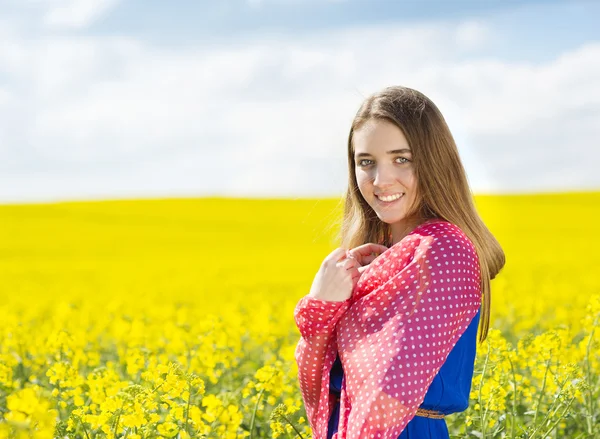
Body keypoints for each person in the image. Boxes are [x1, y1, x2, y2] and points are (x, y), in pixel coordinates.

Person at [293, 86, 505, 439]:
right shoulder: (382, 258)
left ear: (433, 161)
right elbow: (326, 383)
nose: (380, 180)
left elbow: (385, 395)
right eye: (367, 162)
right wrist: (322, 304)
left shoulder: (444, 251)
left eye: (401, 159)